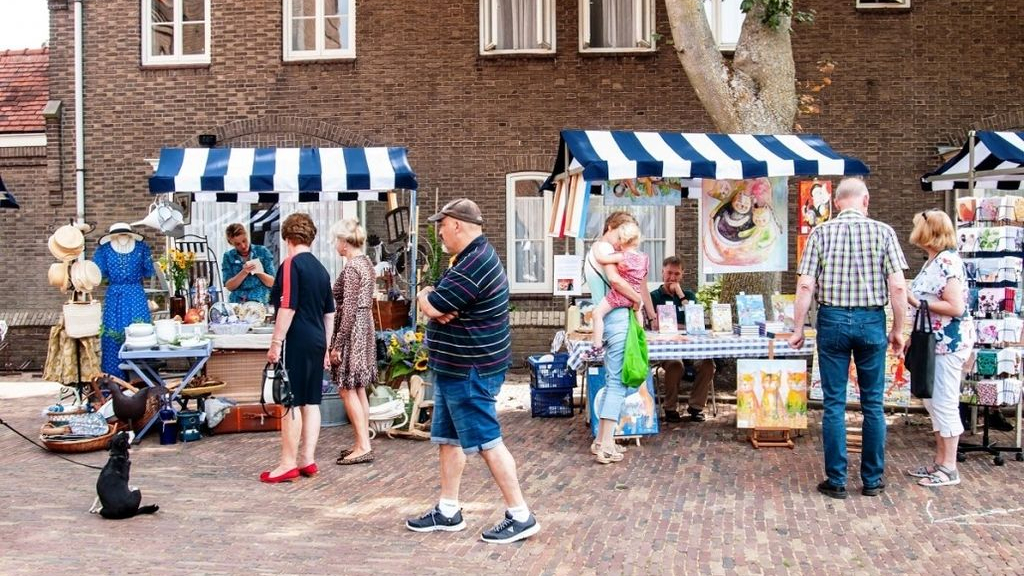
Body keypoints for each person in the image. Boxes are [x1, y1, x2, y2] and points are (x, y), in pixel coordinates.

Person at [405, 198, 539, 545]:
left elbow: (435, 305)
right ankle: (448, 510)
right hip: (456, 367)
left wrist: (428, 299)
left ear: (458, 225)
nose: (438, 233)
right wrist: (432, 299)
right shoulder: (467, 259)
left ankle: (520, 515)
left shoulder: (474, 262)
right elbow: (437, 302)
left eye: (441, 225)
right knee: (449, 440)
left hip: (470, 369)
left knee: (487, 442)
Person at [789, 177, 908, 499]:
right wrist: (898, 328)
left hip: (833, 319)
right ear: (865, 200)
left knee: (833, 404)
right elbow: (898, 286)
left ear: (836, 203)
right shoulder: (884, 232)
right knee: (873, 404)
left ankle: (837, 479)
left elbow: (805, 286)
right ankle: (872, 479)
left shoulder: (820, 233)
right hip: (871, 319)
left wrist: (798, 328)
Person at [260, 213, 335, 484]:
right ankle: (307, 459)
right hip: (317, 339)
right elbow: (330, 314)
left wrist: (276, 343)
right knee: (311, 401)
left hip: (298, 338)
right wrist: (326, 348)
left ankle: (287, 463)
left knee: (290, 401)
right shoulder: (321, 269)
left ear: (288, 237)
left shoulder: (291, 264)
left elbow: (287, 305)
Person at [905, 209, 975, 487]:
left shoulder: (947, 262)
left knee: (944, 401)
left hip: (947, 343)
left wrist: (917, 302)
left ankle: (949, 467)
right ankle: (940, 462)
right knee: (933, 402)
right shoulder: (933, 261)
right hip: (933, 342)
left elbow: (955, 306)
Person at [586, 211, 656, 464]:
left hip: (609, 319)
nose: (622, 241)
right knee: (617, 383)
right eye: (621, 233)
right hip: (617, 320)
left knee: (613, 381)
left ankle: (603, 441)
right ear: (611, 227)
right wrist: (637, 300)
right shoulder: (604, 248)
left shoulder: (599, 250)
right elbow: (616, 282)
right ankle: (605, 445)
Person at [328, 218, 376, 465]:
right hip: (365, 328)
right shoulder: (366, 263)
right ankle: (361, 442)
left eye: (337, 240)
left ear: (345, 243)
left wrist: (336, 344)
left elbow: (347, 310)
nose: (335, 244)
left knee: (347, 388)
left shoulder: (351, 269)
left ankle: (363, 445)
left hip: (353, 331)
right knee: (358, 387)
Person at [649, 256, 716, 423]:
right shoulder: (654, 296)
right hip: (668, 349)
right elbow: (656, 326)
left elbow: (696, 322)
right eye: (669, 273)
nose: (672, 277)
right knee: (675, 365)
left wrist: (680, 294)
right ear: (662, 272)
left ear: (682, 275)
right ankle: (670, 408)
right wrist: (682, 326)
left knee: (708, 364)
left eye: (676, 274)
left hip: (692, 348)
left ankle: (696, 407)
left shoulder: (689, 295)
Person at [93, 223, 154, 379]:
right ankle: (114, 379)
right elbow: (98, 273)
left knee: (140, 333)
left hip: (135, 294)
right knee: (113, 334)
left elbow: (148, 270)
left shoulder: (141, 248)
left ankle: (142, 378)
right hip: (115, 296)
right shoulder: (105, 250)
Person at [584, 222, 649, 356]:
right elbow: (643, 275)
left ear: (622, 240)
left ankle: (597, 346)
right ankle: (640, 336)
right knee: (638, 313)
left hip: (619, 296)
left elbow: (602, 259)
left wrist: (596, 246)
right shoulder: (644, 258)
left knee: (597, 314)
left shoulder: (622, 256)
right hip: (635, 295)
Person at [221, 223, 276, 304]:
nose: (243, 246)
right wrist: (244, 272)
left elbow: (272, 283)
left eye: (244, 241)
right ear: (231, 243)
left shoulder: (262, 251)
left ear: (247, 236)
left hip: (260, 303)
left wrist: (258, 271)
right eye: (237, 244)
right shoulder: (228, 256)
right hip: (238, 304)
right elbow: (229, 286)